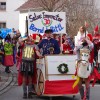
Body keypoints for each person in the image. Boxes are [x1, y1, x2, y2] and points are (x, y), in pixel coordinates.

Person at [74, 26, 94, 100]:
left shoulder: (89, 46)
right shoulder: (79, 46)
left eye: (86, 38)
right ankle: (83, 97)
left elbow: (92, 46)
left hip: (87, 65)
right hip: (80, 65)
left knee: (87, 82)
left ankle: (87, 97)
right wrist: (81, 44)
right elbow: (75, 51)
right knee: (79, 83)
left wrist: (87, 40)